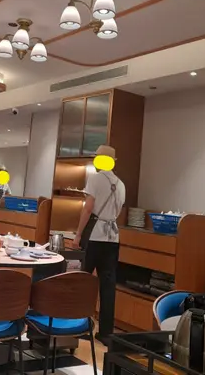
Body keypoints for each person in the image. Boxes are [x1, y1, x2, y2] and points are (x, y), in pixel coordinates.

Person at [73, 145, 125, 343]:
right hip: (112, 238)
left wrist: (78, 235)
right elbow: (118, 211)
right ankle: (106, 333)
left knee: (84, 281)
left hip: (94, 235)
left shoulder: (95, 179)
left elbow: (88, 209)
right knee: (108, 285)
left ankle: (79, 326)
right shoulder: (121, 184)